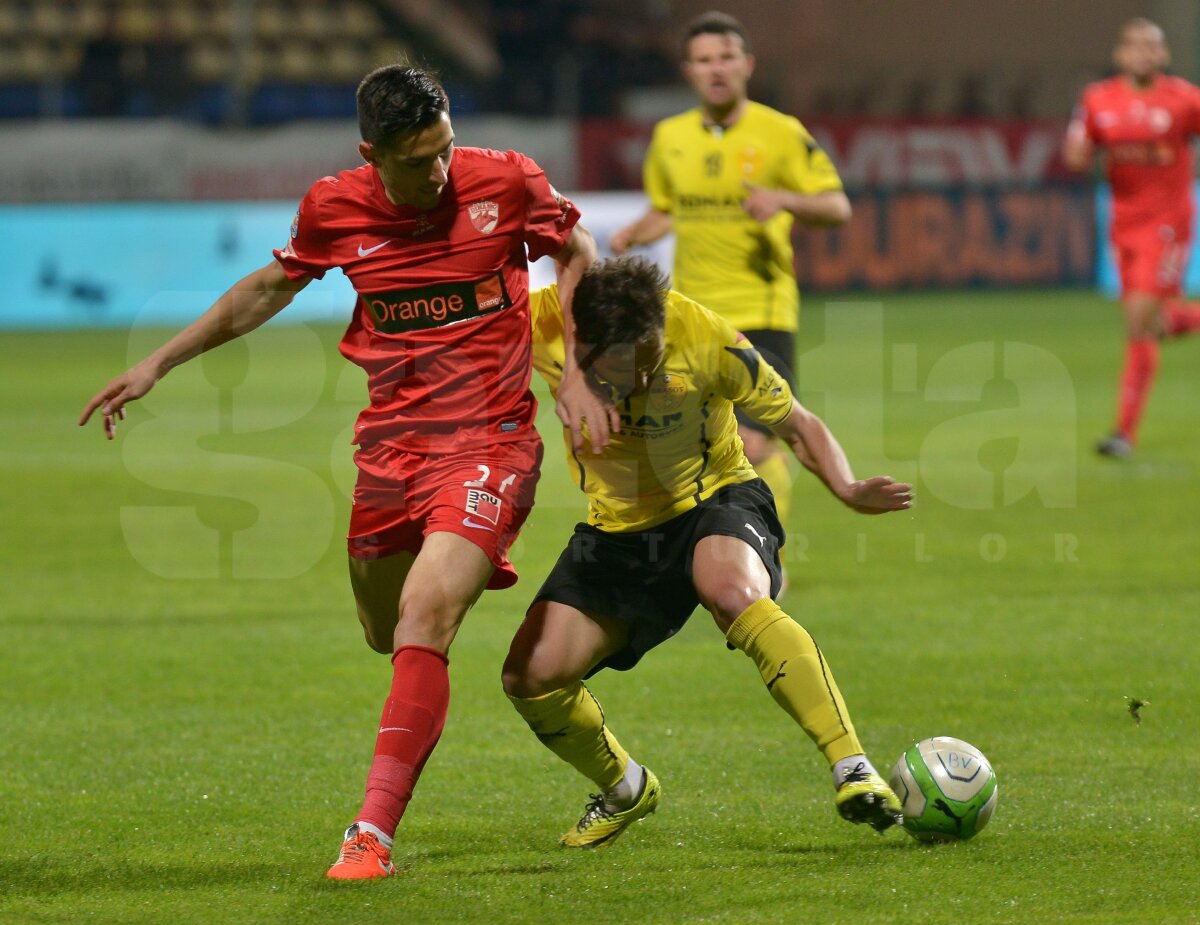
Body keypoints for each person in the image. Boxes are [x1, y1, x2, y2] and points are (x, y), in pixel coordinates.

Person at [79, 64, 611, 880]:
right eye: (418, 160)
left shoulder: (504, 181)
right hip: (390, 452)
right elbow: (266, 289)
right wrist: (159, 362)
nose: (438, 172)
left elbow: (578, 248)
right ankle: (610, 772)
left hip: (489, 442)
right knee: (386, 628)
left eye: (445, 150)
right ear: (372, 153)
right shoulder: (335, 206)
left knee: (426, 613)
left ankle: (371, 832)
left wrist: (575, 369)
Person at [502, 256, 911, 849]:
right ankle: (624, 787)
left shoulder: (707, 338)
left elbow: (798, 424)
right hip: (618, 532)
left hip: (715, 499)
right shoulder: (539, 322)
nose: (640, 382)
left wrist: (847, 488)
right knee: (529, 677)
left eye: (650, 364)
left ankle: (852, 767)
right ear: (580, 342)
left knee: (732, 592)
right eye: (622, 373)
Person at [610, 11, 850, 583]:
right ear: (688, 71)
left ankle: (769, 557)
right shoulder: (670, 138)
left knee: (758, 439)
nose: (716, 69)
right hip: (694, 316)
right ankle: (707, 550)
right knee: (695, 444)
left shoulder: (781, 132)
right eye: (704, 60)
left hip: (762, 309)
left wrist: (784, 199)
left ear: (747, 65)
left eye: (726, 57)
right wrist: (633, 234)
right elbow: (666, 208)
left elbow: (837, 205)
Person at [1063, 18, 1200, 458]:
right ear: (1121, 54)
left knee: (1139, 319)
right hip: (1123, 224)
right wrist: (1079, 155)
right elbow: (1075, 153)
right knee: (1153, 325)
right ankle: (1123, 433)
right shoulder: (1098, 100)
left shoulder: (1184, 100)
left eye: (1151, 46)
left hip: (1167, 223)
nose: (1142, 52)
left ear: (1163, 56)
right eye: (1134, 45)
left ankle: (1123, 433)